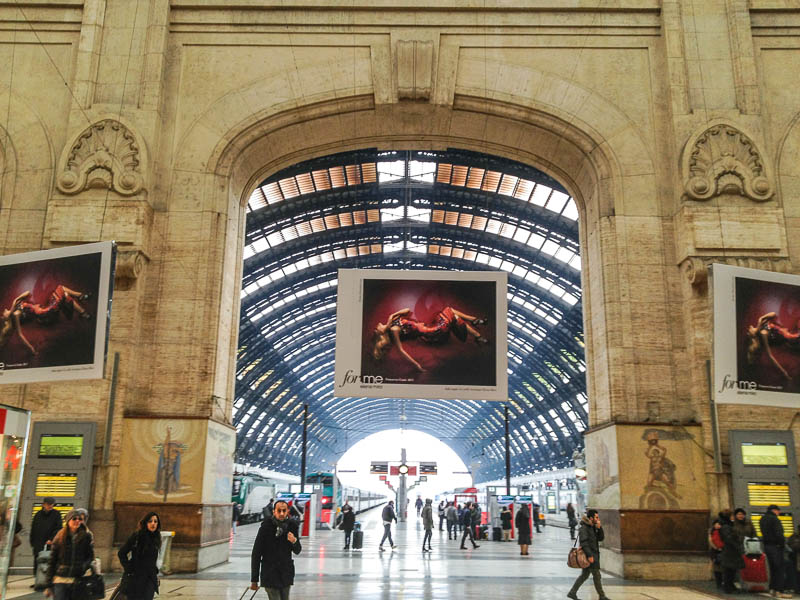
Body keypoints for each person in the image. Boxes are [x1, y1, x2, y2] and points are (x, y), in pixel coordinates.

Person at [370, 307, 489, 371]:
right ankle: (475, 324)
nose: (378, 324)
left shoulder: (393, 321)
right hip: (432, 333)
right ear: (382, 333)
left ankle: (477, 335)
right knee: (451, 312)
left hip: (430, 326)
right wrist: (417, 365)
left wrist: (391, 317)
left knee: (455, 317)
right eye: (378, 328)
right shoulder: (394, 330)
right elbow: (401, 351)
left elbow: (407, 310)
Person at [250, 499, 302, 600]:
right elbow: (256, 553)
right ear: (274, 511)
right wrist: (254, 579)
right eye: (279, 511)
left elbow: (297, 550)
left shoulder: (292, 526)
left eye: (284, 510)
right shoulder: (266, 527)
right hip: (270, 573)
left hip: (286, 573)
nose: (282, 513)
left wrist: (294, 541)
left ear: (287, 511)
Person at [44, 508, 94, 600]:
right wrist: (48, 584)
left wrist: (83, 567)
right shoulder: (59, 537)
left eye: (79, 519)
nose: (77, 521)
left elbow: (90, 556)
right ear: (68, 521)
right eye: (74, 519)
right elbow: (52, 561)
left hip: (77, 578)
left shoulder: (86, 536)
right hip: (60, 579)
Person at [567, 509, 610, 600]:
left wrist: (599, 528)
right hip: (589, 556)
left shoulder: (592, 527)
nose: (598, 519)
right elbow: (584, 543)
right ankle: (602, 596)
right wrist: (590, 556)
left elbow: (601, 538)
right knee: (596, 575)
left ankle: (572, 592)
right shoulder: (584, 528)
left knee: (585, 575)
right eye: (596, 517)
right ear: (591, 518)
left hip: (593, 555)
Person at [118, 512, 162, 600]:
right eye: (150, 521)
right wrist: (128, 567)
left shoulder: (157, 537)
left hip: (150, 578)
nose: (153, 523)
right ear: (145, 523)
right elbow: (122, 553)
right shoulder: (137, 536)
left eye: (155, 521)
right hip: (136, 577)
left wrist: (155, 572)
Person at [761, 504, 792, 598]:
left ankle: (772, 589)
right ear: (774, 510)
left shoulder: (763, 519)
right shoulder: (774, 519)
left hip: (767, 546)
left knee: (773, 568)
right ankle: (779, 590)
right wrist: (782, 544)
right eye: (778, 511)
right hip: (776, 547)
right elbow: (779, 534)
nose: (779, 513)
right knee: (779, 568)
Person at [30, 498, 62, 569]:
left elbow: (58, 528)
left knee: (49, 561)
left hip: (50, 543)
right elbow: (34, 528)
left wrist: (51, 539)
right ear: (43, 504)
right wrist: (32, 542)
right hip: (38, 543)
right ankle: (37, 576)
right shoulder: (38, 515)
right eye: (48, 504)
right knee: (38, 560)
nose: (50, 506)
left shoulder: (56, 514)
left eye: (52, 504)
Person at [718, 509, 744, 595]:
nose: (733, 517)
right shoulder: (726, 526)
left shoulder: (728, 525)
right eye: (732, 516)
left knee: (732, 569)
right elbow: (728, 538)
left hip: (732, 550)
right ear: (728, 517)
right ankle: (728, 587)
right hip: (730, 551)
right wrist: (737, 545)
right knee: (729, 570)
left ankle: (730, 585)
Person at [708, 516, 724, 589]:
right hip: (715, 550)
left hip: (722, 550)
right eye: (717, 524)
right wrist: (716, 548)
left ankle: (721, 581)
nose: (718, 525)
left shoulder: (723, 531)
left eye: (719, 524)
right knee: (715, 565)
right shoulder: (711, 531)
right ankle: (716, 580)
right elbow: (710, 540)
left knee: (721, 566)